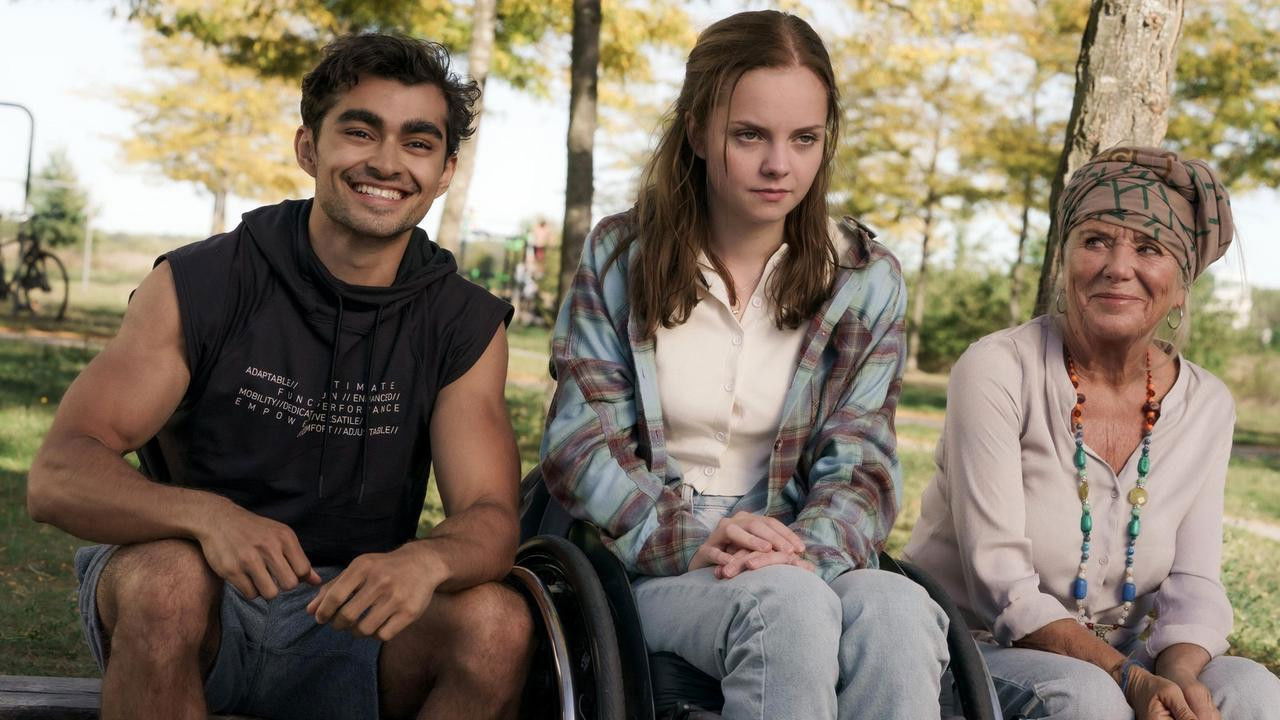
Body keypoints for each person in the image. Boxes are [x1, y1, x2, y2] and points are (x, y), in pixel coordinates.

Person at [26, 33, 531, 720]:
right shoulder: (203, 281)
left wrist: (427, 563)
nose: (386, 162)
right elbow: (57, 474)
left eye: (417, 143)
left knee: (497, 624)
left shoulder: (463, 322)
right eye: (360, 131)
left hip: (355, 616)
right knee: (166, 579)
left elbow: (492, 519)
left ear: (444, 172)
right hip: (202, 606)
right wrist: (206, 518)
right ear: (308, 149)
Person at [540, 10, 949, 719]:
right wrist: (696, 541)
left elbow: (863, 465)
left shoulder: (864, 276)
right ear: (698, 132)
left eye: (804, 139)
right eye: (749, 135)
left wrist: (803, 554)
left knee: (897, 611)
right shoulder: (621, 254)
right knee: (783, 607)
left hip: (800, 543)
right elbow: (580, 447)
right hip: (649, 557)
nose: (778, 166)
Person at [904, 146, 1280, 720]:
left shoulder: (1206, 404)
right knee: (1087, 698)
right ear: (1066, 262)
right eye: (1096, 241)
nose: (1117, 267)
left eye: (1149, 249)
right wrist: (1128, 679)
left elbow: (1194, 584)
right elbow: (998, 586)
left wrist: (1174, 677)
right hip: (976, 648)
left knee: (1250, 692)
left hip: (1126, 659)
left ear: (1181, 288)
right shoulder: (999, 369)